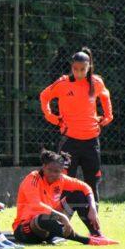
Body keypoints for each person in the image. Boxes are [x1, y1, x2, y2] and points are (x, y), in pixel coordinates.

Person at [40, 47, 113, 205]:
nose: (79, 72)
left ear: (89, 67)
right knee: (63, 181)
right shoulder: (63, 83)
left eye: (83, 69)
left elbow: (105, 96)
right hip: (70, 142)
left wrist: (108, 116)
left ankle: (94, 227)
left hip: (91, 142)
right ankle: (62, 225)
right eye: (75, 69)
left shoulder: (96, 82)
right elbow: (44, 96)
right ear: (71, 67)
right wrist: (51, 116)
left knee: (92, 182)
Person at [13, 150, 119, 246]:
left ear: (62, 171)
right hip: (27, 229)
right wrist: (62, 217)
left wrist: (93, 209)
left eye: (57, 171)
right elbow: (35, 204)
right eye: (50, 170)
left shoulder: (61, 179)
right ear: (44, 166)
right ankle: (86, 240)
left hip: (53, 222)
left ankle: (96, 235)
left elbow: (86, 187)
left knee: (78, 195)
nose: (53, 174)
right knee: (43, 218)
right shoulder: (33, 179)